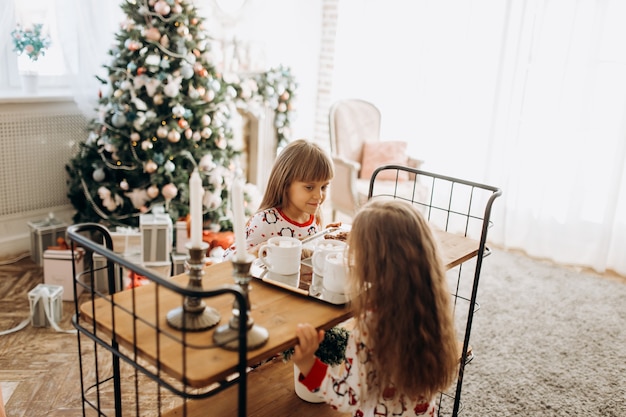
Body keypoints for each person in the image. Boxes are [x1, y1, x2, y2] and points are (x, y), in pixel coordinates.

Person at [293, 199, 460, 416]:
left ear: (375, 264)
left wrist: (308, 363)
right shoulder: (430, 307)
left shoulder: (371, 326)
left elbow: (348, 398)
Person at [224, 139, 336, 259]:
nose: (319, 196)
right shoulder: (264, 222)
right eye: (309, 187)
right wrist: (257, 251)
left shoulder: (314, 216)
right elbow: (228, 260)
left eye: (324, 187)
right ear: (286, 184)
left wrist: (325, 237)